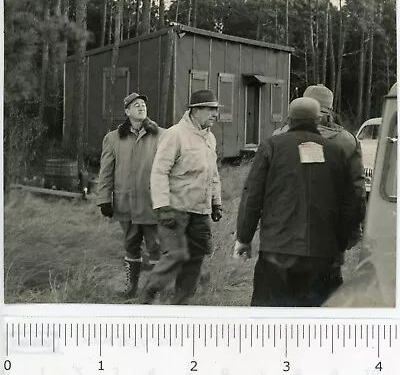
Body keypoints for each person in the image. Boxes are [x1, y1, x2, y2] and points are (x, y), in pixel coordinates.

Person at [234, 97, 364, 307]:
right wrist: (340, 242)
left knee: (270, 320)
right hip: (322, 254)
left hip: (277, 252)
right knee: (316, 322)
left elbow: (252, 195)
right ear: (319, 119)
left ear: (289, 119)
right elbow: (352, 202)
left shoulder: (271, 146)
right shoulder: (336, 152)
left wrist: (244, 238)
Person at [273, 84, 366, 290]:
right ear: (329, 109)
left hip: (285, 229)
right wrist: (353, 230)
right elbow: (357, 189)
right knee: (326, 288)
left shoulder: (278, 137)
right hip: (329, 229)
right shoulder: (347, 141)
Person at [139, 89, 223, 305]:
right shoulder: (175, 135)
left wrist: (216, 202)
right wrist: (162, 206)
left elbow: (212, 173)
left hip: (200, 211)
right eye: (210, 109)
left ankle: (180, 305)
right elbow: (159, 171)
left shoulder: (210, 139)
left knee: (195, 258)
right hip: (175, 210)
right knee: (176, 255)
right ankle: (150, 292)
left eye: (216, 109)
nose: (215, 114)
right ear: (195, 111)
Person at [96, 92, 163, 299]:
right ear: (127, 111)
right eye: (136, 105)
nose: (141, 107)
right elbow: (106, 171)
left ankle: (153, 292)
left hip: (153, 203)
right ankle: (130, 289)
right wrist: (104, 199)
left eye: (143, 104)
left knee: (156, 247)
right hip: (126, 205)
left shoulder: (161, 135)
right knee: (131, 245)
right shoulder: (113, 139)